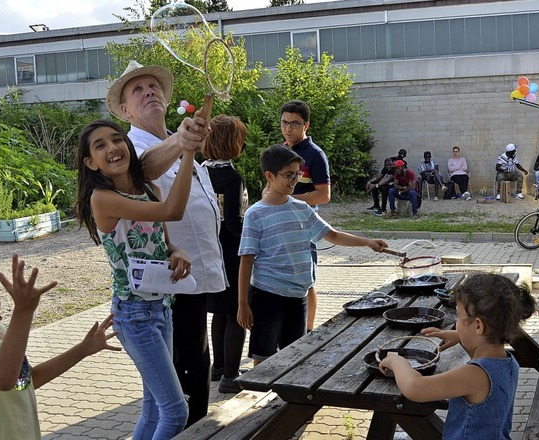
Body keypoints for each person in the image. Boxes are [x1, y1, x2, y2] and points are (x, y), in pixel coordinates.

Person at [106, 60, 222, 426]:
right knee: (180, 391)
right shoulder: (130, 149)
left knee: (191, 374)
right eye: (137, 90)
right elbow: (143, 170)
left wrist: (183, 142)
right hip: (166, 285)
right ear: (125, 109)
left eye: (153, 86)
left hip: (191, 276)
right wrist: (181, 142)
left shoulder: (177, 141)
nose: (148, 92)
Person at [76, 119, 198, 438]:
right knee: (175, 411)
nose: (113, 148)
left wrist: (176, 252)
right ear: (90, 162)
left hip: (161, 306)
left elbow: (162, 237)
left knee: (155, 408)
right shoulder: (102, 198)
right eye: (100, 145)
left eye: (117, 140)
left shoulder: (148, 189)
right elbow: (173, 210)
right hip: (133, 314)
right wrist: (187, 153)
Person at [0, 255, 119, 439]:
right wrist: (23, 311)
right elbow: (2, 380)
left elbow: (27, 381)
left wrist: (83, 349)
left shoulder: (2, 332)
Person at [237, 145, 387, 366]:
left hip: (298, 297)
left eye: (297, 174)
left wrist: (367, 242)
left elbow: (332, 235)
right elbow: (246, 260)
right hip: (268, 296)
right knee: (264, 359)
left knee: (294, 356)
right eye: (288, 175)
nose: (294, 179)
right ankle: (260, 397)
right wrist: (242, 304)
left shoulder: (302, 208)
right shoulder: (255, 214)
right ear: (269, 176)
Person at [379, 273, 536, 440]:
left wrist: (397, 362)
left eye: (459, 317)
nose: (457, 323)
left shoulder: (475, 375)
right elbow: (480, 356)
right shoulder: (508, 362)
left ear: (478, 325)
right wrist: (459, 336)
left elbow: (415, 387)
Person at [201, 115, 249, 394]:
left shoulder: (199, 171)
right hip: (230, 251)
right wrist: (252, 238)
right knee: (236, 313)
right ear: (233, 143)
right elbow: (232, 220)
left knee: (219, 312)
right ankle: (231, 376)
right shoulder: (232, 177)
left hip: (208, 247)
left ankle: (217, 367)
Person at [275, 100, 331, 332]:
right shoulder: (278, 151)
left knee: (306, 282)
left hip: (303, 226)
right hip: (278, 224)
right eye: (284, 123)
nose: (288, 129)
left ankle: (308, 331)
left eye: (294, 124)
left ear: (306, 124)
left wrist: (289, 199)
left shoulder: (315, 155)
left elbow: (323, 195)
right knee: (280, 278)